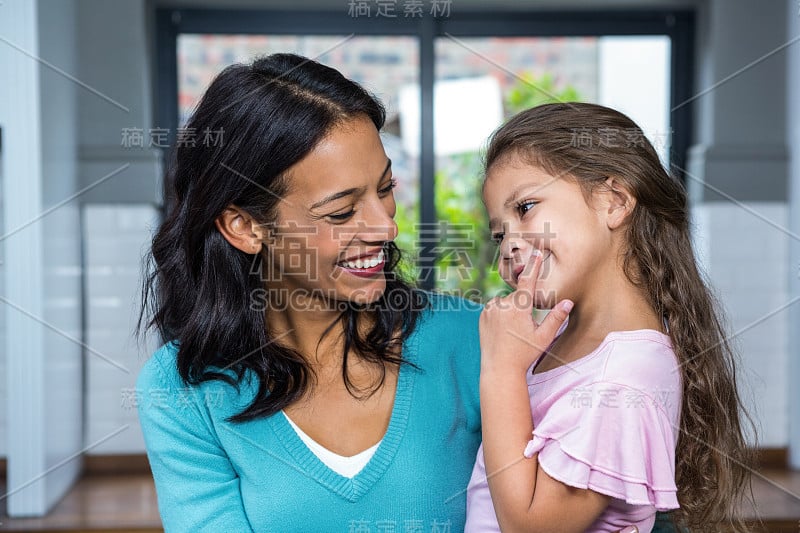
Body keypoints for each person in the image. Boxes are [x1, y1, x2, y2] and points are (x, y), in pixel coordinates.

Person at [136, 53, 484, 531]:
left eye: (385, 188)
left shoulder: (473, 341)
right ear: (244, 226)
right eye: (341, 212)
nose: (386, 227)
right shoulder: (183, 390)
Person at [465, 103, 752, 532]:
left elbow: (531, 527)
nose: (508, 246)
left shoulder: (623, 376)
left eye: (525, 208)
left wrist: (502, 370)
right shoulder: (564, 334)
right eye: (499, 233)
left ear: (613, 201)